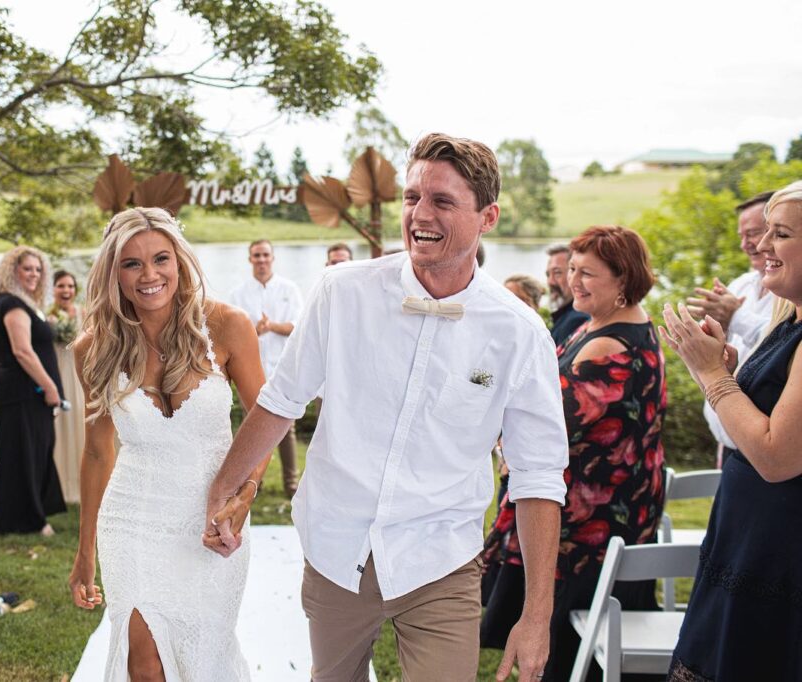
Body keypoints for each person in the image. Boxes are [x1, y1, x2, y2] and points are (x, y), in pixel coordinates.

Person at [207, 133, 568, 682]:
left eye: (443, 201)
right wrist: (223, 491)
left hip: (441, 557)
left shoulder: (520, 335)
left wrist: (536, 615)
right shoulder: (340, 291)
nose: (419, 214)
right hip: (336, 544)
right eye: (412, 197)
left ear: (487, 216)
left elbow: (538, 476)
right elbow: (280, 401)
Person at [68, 207, 269, 681]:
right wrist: (84, 554)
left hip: (211, 518)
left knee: (204, 656)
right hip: (133, 520)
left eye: (161, 259)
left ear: (180, 260)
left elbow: (266, 423)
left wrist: (244, 496)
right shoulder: (91, 350)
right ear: (112, 272)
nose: (149, 275)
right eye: (131, 263)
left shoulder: (227, 326)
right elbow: (98, 452)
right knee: (145, 662)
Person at [481, 226, 667, 680]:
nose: (573, 281)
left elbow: (543, 424)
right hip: (613, 509)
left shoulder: (608, 347)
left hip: (592, 525)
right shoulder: (600, 324)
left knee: (565, 651)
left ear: (623, 280)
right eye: (572, 270)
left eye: (587, 273)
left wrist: (484, 392)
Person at [663, 181, 802, 682]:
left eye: (779, 234)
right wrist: (729, 367)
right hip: (746, 546)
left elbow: (777, 456)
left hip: (779, 560)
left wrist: (711, 374)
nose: (761, 247)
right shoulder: (789, 323)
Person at [686, 191, 777, 462]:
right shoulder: (741, 285)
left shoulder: (791, 293)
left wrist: (735, 316)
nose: (745, 244)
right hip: (729, 448)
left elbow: (784, 345)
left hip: (767, 448)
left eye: (752, 233)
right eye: (741, 236)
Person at [0, 246, 66, 535]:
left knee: (28, 452)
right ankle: (29, 520)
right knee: (24, 454)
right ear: (12, 271)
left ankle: (4, 516)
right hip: (23, 393)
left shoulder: (24, 303)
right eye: (27, 268)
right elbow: (22, 351)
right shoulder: (13, 305)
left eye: (38, 269)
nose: (34, 274)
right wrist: (49, 387)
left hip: (27, 393)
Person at [228, 239, 303, 497]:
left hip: (283, 369)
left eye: (265, 255)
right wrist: (254, 331)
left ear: (273, 258)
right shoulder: (238, 294)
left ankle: (291, 484)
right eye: (256, 256)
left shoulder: (289, 289)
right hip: (251, 370)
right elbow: (233, 336)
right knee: (251, 428)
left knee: (286, 428)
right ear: (250, 259)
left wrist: (271, 327)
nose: (261, 260)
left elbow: (297, 327)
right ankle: (249, 484)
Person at [48, 269, 85, 503]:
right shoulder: (47, 317)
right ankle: (62, 483)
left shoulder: (85, 313)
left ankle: (84, 480)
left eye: (70, 286)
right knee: (60, 426)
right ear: (53, 289)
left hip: (81, 373)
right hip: (59, 373)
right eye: (61, 286)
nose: (66, 290)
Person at [545, 242, 589, 345]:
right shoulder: (564, 316)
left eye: (557, 273)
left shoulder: (578, 319)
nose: (550, 282)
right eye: (548, 275)